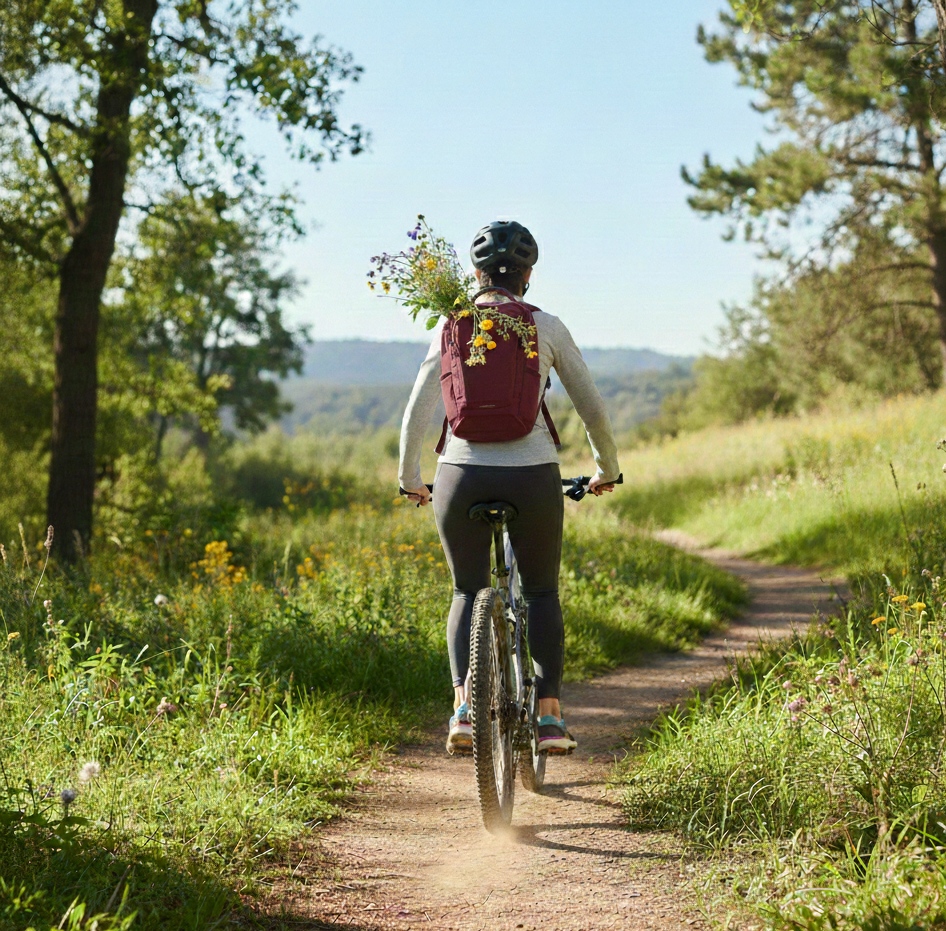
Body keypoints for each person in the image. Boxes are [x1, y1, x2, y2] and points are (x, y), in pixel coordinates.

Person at [398, 220, 621, 754]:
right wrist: (606, 469)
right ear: (527, 277)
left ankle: (465, 710)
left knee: (465, 590)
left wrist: (410, 479)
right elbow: (591, 407)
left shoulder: (452, 323)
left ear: (475, 275)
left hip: (460, 474)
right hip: (532, 475)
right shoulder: (544, 325)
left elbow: (417, 413)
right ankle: (548, 718)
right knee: (541, 592)